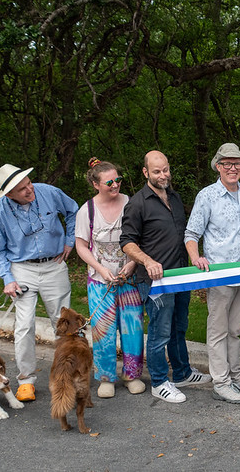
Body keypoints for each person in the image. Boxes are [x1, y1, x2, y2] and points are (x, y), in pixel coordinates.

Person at [120, 151, 211, 404]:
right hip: (156, 281)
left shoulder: (174, 197)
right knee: (160, 333)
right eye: (157, 171)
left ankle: (182, 373)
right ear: (146, 172)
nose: (163, 175)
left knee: (179, 328)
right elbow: (126, 241)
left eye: (166, 170)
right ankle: (159, 382)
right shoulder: (137, 203)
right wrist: (147, 261)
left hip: (180, 275)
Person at [0, 163, 78, 402]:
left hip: (54, 265)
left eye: (28, 183)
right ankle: (26, 380)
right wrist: (8, 279)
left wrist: (70, 241)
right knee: (24, 326)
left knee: (65, 323)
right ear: (9, 195)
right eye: (22, 189)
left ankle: (69, 374)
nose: (30, 190)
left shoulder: (48, 191)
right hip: (22, 269)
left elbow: (73, 210)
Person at [184, 144, 240, 404]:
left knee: (235, 330)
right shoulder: (207, 196)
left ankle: (236, 376)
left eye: (237, 163)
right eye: (227, 163)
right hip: (219, 274)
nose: (232, 168)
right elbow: (192, 234)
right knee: (218, 330)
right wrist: (196, 258)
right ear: (218, 166)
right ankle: (221, 381)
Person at [74, 158, 145, 399]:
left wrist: (133, 264)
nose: (115, 186)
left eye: (118, 180)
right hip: (100, 281)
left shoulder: (131, 203)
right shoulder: (87, 211)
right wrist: (101, 270)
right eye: (109, 182)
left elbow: (142, 238)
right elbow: (81, 246)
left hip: (129, 279)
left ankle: (132, 374)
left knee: (132, 327)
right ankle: (106, 378)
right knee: (102, 330)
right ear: (96, 184)